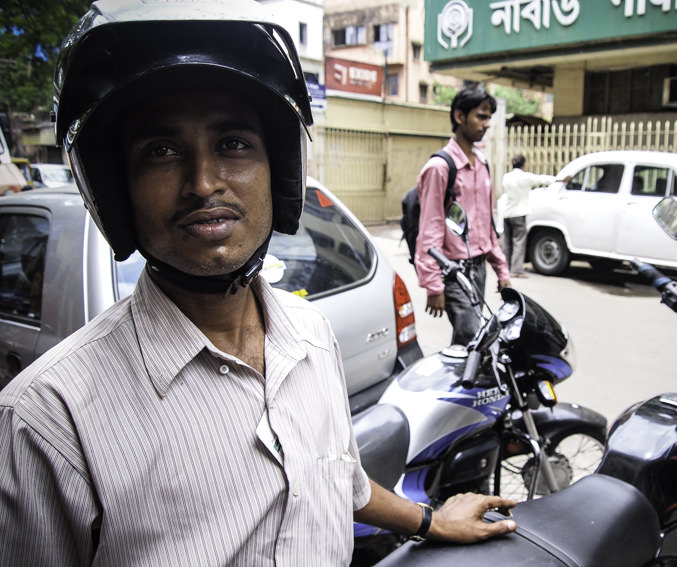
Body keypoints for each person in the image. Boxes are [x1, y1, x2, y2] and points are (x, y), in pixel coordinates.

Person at [0, 1, 516, 565]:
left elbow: (343, 484)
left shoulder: (313, 337)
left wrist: (429, 520)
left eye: (233, 144)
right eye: (161, 151)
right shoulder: (47, 419)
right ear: (119, 192)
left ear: (279, 172)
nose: (203, 182)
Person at [415, 86, 511, 346]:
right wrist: (433, 285)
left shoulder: (482, 163)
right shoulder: (440, 167)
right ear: (460, 117)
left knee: (473, 338)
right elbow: (430, 228)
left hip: (478, 268)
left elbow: (486, 224)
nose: (487, 124)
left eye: (489, 117)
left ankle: (463, 381)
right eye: (481, 116)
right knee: (471, 338)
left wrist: (501, 268)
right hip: (453, 272)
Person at [500, 154, 559, 277]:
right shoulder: (525, 177)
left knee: (507, 243)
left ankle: (505, 268)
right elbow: (542, 179)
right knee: (519, 242)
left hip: (507, 213)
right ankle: (516, 270)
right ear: (524, 164)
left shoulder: (506, 177)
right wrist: (559, 179)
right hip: (519, 213)